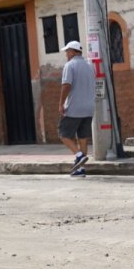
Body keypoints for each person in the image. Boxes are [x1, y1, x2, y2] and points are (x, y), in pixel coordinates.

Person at [58, 41, 95, 177]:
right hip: (89, 108)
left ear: (73, 52)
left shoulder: (70, 65)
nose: (66, 55)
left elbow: (66, 85)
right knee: (83, 138)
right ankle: (80, 170)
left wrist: (61, 103)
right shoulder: (90, 66)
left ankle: (79, 155)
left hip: (74, 107)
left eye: (67, 52)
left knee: (63, 134)